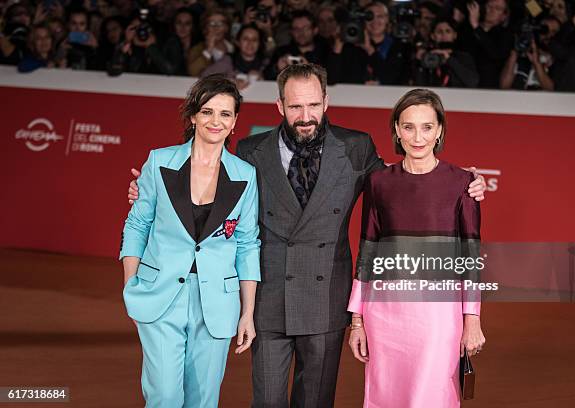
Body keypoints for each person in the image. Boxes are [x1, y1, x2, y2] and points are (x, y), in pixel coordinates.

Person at [128, 63, 487, 407]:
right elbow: (211, 196)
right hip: (269, 298)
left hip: (325, 299)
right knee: (267, 401)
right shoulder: (252, 151)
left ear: (326, 102)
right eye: (296, 106)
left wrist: (464, 182)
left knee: (314, 401)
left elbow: (400, 183)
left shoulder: (355, 147)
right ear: (280, 105)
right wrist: (149, 190)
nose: (305, 115)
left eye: (314, 104)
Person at [119, 75, 260, 407]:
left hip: (218, 302)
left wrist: (248, 312)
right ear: (194, 115)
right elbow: (137, 225)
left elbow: (247, 243)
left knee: (202, 399)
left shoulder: (245, 174)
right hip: (161, 293)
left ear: (235, 122)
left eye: (225, 114)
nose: (216, 121)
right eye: (208, 111)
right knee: (164, 395)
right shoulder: (159, 162)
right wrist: (131, 284)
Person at [347, 88, 486, 407]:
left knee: (432, 396)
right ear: (396, 129)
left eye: (427, 127)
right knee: (386, 396)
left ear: (439, 131)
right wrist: (358, 320)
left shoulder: (462, 183)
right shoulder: (379, 182)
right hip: (385, 316)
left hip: (438, 317)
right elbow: (367, 251)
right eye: (408, 126)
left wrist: (473, 319)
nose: (417, 136)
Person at [414, 18, 479, 88]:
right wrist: (419, 63)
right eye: (439, 31)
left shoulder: (464, 57)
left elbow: (473, 82)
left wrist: (449, 59)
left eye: (448, 31)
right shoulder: (428, 57)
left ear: (455, 35)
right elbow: (418, 85)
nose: (444, 34)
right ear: (433, 36)